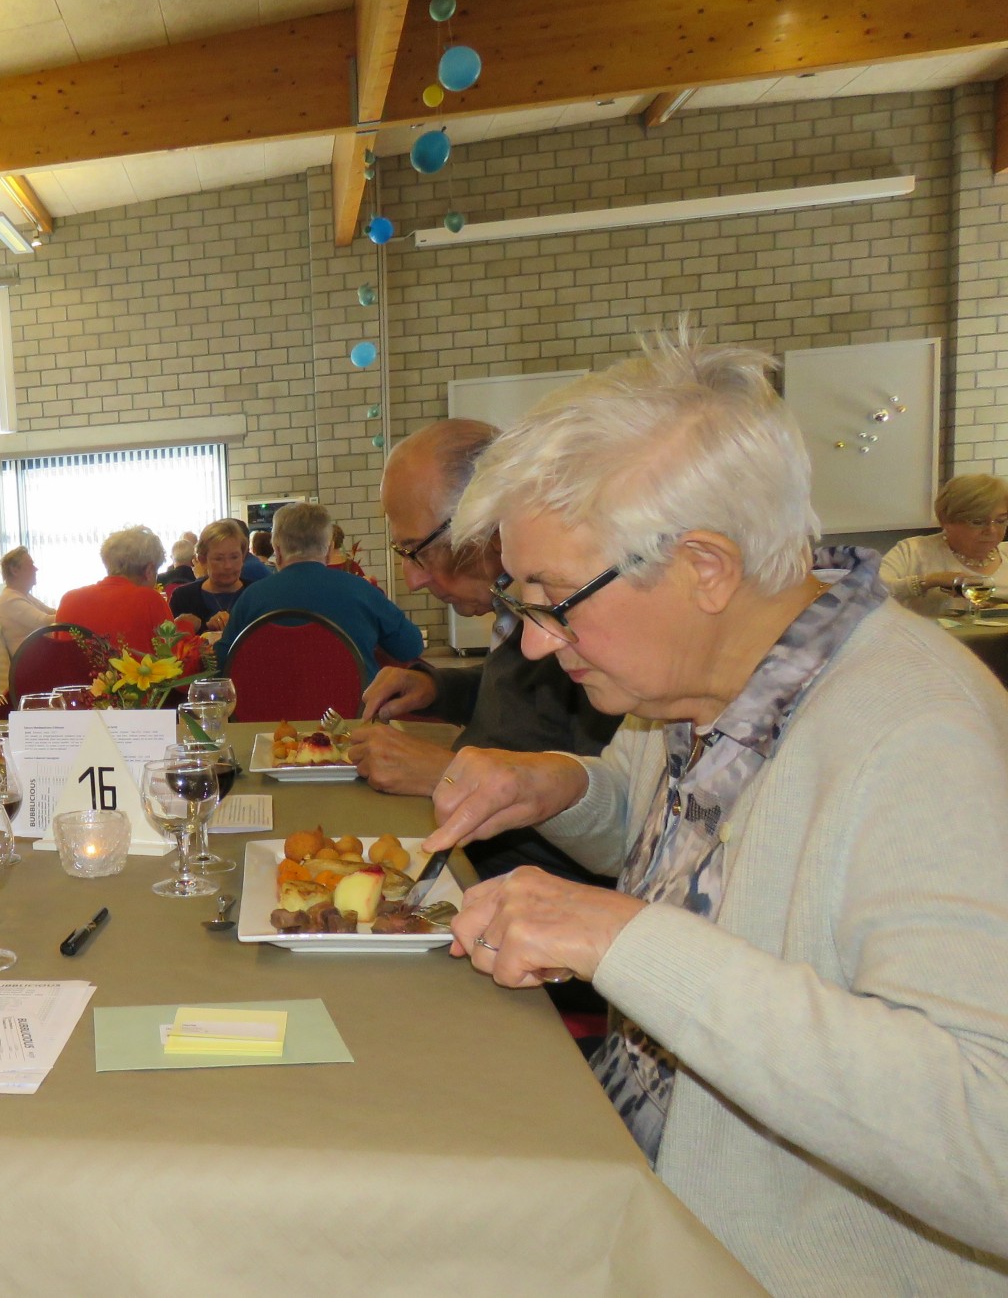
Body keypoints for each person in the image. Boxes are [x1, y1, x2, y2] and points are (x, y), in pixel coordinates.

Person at [422, 335, 1008, 1295]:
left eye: (555, 602)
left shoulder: (922, 738)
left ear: (705, 567)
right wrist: (562, 786)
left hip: (767, 1261)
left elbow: (990, 1145)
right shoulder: (702, 676)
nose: (532, 645)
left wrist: (628, 942)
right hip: (649, 1181)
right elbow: (665, 839)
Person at [346, 420, 620, 883]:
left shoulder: (580, 627)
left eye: (419, 551)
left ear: (489, 523)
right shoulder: (518, 612)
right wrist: (438, 688)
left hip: (514, 887)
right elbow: (529, 702)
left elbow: (615, 833)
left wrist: (447, 775)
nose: (413, 579)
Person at [219, 502, 423, 667]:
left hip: (269, 714)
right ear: (329, 549)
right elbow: (411, 646)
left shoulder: (252, 598)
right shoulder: (362, 591)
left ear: (277, 550)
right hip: (353, 713)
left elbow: (222, 661)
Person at [878, 473, 1008, 617]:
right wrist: (930, 581)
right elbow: (870, 593)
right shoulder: (913, 551)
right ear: (946, 520)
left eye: (1001, 521)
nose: (992, 530)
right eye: (977, 522)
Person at [54, 525, 175, 653]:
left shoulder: (68, 599)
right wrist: (186, 625)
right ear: (149, 570)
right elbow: (173, 657)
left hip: (77, 673)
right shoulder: (149, 600)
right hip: (132, 673)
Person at [167, 519, 250, 631]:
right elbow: (169, 644)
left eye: (234, 557)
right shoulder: (183, 598)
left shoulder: (256, 595)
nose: (228, 566)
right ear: (202, 560)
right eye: (219, 559)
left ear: (243, 557)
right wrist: (203, 628)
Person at [0, 546, 55, 652]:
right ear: (15, 570)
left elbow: (51, 612)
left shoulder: (23, 596)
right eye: (31, 565)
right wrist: (72, 614)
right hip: (31, 662)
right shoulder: (9, 600)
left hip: (40, 655)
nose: (36, 569)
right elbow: (44, 621)